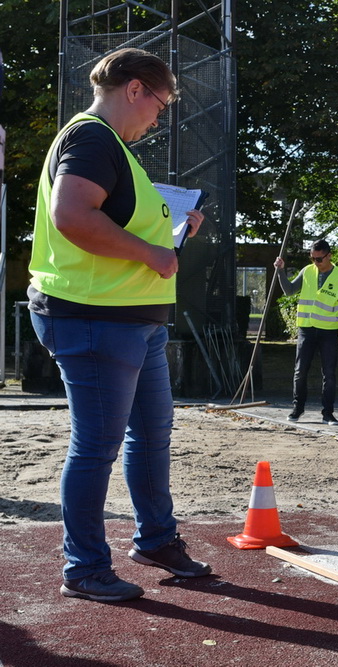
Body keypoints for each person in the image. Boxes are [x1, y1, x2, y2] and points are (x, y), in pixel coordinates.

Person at [27, 48, 210, 602]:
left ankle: (155, 538)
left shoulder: (109, 147)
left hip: (131, 320)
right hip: (95, 319)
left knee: (151, 437)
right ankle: (83, 569)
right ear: (135, 89)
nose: (159, 117)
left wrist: (174, 231)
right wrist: (151, 255)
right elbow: (73, 217)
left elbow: (115, 221)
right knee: (96, 448)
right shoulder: (91, 139)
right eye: (160, 103)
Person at [275, 240, 338, 425]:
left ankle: (328, 413)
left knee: (329, 374)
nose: (315, 262)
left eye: (319, 259)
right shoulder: (307, 271)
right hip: (306, 329)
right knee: (300, 371)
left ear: (329, 256)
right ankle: (297, 409)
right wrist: (280, 270)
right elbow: (289, 291)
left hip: (328, 331)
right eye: (312, 258)